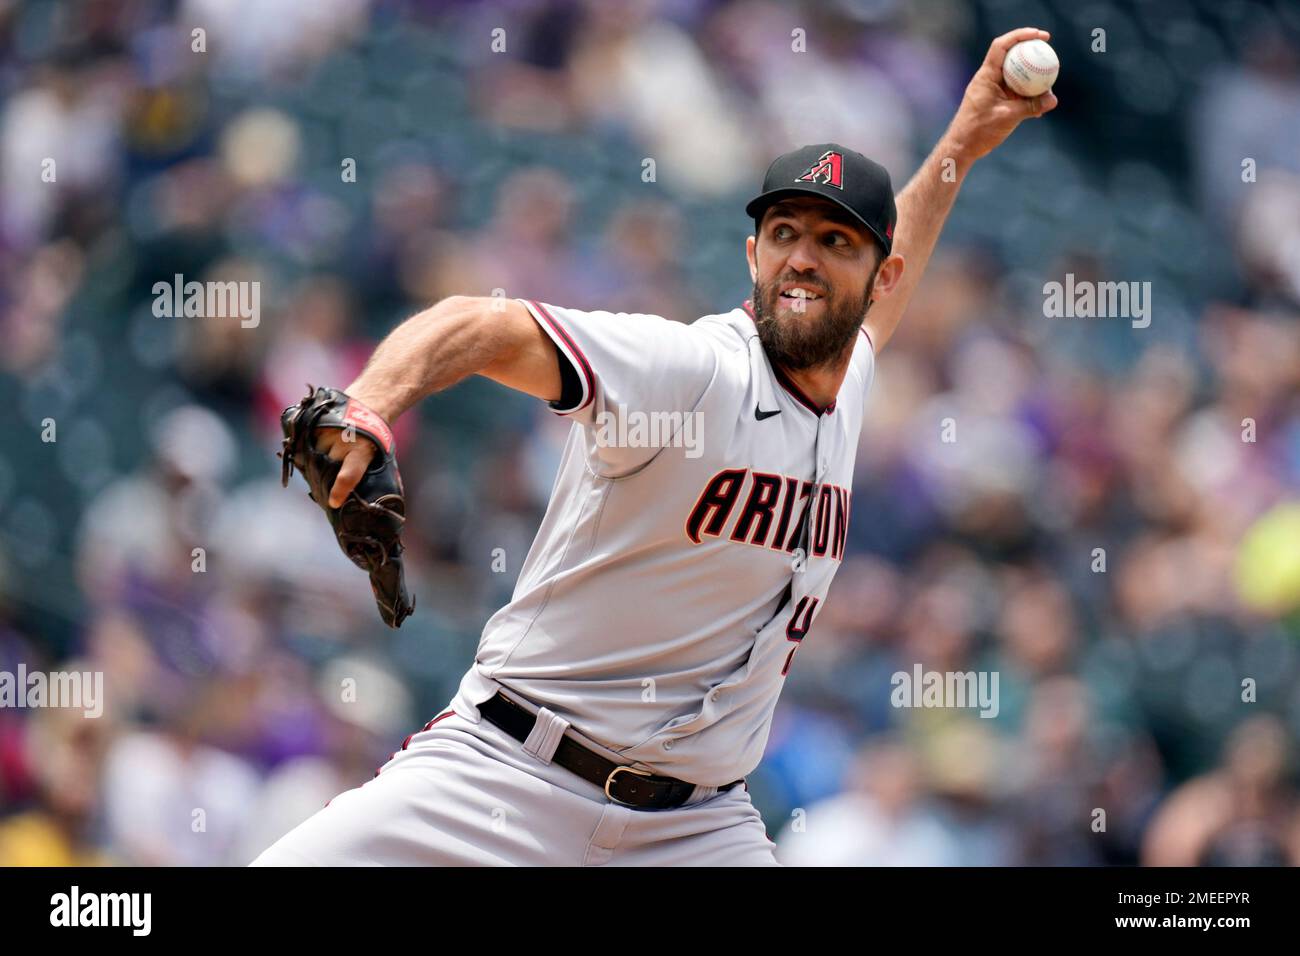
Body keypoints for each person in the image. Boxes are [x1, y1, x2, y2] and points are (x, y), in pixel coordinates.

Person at [252, 28, 1058, 866]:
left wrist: (964, 138)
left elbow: (892, 279)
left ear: (878, 278)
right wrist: (373, 406)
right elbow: (483, 324)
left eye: (838, 243)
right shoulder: (689, 369)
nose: (805, 261)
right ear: (753, 252)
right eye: (786, 232)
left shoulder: (849, 374)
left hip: (696, 832)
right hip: (504, 779)